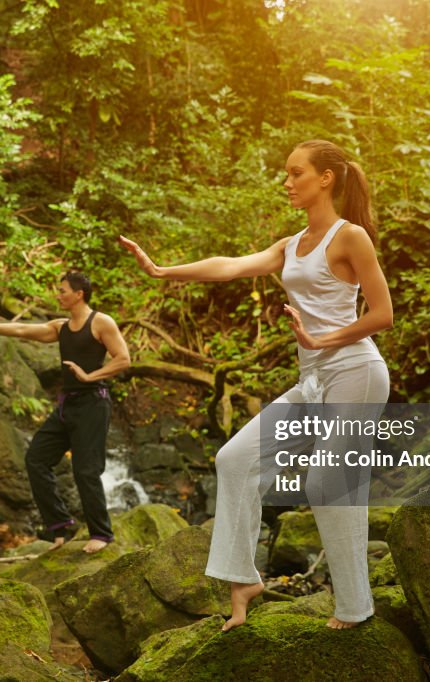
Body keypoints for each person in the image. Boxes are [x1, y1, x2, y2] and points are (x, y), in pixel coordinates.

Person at [119, 140, 392, 629]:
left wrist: (319, 336)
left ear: (326, 178)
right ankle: (242, 578)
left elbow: (383, 315)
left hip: (356, 373)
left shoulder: (350, 237)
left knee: (329, 482)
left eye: (296, 172)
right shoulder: (291, 245)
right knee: (236, 459)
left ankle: (354, 607)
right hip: (313, 381)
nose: (287, 182)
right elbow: (230, 265)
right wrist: (163, 271)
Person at [0, 271, 131, 554]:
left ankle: (101, 534)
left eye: (63, 290)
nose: (58, 294)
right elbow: (21, 331)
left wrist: (91, 376)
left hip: (93, 403)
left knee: (85, 471)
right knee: (36, 459)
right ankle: (59, 527)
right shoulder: (60, 327)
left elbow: (124, 359)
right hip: (67, 405)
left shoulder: (100, 322)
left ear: (79, 294)